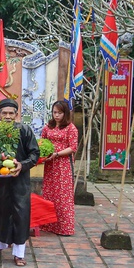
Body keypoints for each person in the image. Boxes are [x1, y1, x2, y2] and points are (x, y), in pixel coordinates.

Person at [0, 98, 39, 266]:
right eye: (4, 113)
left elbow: (34, 154)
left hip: (20, 180)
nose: (8, 116)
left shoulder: (25, 131)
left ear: (17, 114)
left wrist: (21, 165)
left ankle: (19, 253)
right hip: (0, 180)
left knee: (20, 214)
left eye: (11, 113)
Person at [40, 99, 78, 236]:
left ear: (65, 113)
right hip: (50, 165)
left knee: (63, 196)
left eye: (60, 113)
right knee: (49, 194)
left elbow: (73, 148)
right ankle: (48, 224)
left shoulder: (71, 128)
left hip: (63, 165)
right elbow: (42, 142)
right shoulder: (47, 127)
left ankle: (64, 228)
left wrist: (56, 154)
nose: (56, 115)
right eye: (54, 112)